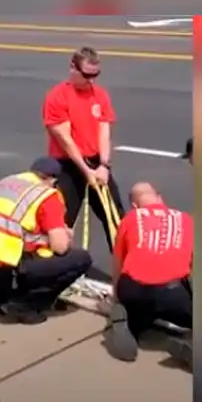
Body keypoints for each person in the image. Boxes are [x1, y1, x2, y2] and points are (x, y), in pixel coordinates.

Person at [0, 157, 93, 324]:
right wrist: (67, 235)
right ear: (52, 180)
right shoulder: (46, 195)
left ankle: (1, 296)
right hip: (9, 267)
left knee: (18, 248)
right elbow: (60, 247)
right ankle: (25, 305)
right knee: (80, 259)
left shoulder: (4, 184)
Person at [43, 46, 127, 251]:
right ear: (73, 68)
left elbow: (104, 131)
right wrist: (85, 171)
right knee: (61, 223)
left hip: (96, 163)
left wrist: (104, 166)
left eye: (95, 75)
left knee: (115, 219)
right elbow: (65, 141)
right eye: (87, 75)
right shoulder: (57, 97)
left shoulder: (100, 95)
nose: (91, 80)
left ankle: (125, 266)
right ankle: (56, 263)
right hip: (68, 165)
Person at [106, 182, 194, 361]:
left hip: (134, 291)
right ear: (160, 198)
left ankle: (130, 323)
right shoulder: (185, 219)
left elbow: (118, 264)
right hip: (173, 294)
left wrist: (116, 299)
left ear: (134, 205)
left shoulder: (129, 219)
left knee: (138, 308)